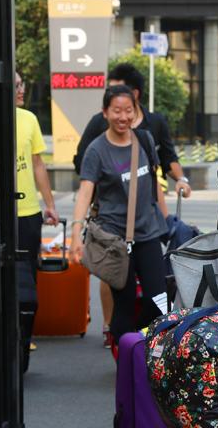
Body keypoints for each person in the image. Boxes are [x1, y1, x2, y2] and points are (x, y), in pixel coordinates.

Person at [72, 63, 187, 349]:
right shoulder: (97, 150)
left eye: (128, 111)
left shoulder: (145, 139)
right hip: (115, 240)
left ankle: (141, 347)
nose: (123, 117)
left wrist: (164, 220)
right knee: (122, 307)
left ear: (135, 111)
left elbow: (154, 183)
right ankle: (126, 362)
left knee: (159, 300)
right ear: (105, 113)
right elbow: (85, 191)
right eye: (116, 111)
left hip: (147, 233)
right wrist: (75, 233)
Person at [14, 72, 58, 371]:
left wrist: (50, 205)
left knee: (27, 281)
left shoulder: (28, 118)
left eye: (22, 85)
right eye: (16, 85)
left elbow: (38, 165)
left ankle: (22, 345)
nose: (21, 89)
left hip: (28, 213)